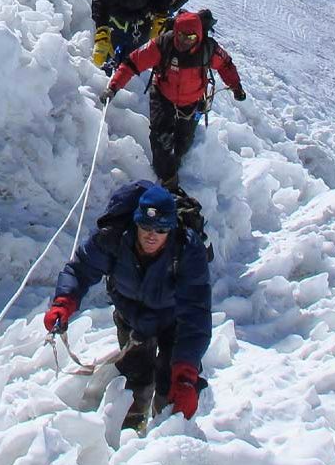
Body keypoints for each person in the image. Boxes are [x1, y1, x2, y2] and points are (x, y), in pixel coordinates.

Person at [43, 182, 212, 430]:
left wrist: (186, 375)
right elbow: (80, 270)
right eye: (145, 226)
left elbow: (196, 313)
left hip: (174, 320)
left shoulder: (186, 250)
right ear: (135, 222)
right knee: (135, 381)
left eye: (161, 229)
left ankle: (168, 439)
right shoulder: (113, 239)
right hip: (132, 317)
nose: (151, 235)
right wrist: (63, 303)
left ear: (172, 229)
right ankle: (131, 435)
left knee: (171, 385)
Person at [99, 9, 246, 190]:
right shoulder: (164, 44)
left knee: (182, 144)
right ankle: (167, 180)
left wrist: (236, 87)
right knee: (161, 137)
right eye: (181, 36)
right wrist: (113, 87)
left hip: (191, 101)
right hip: (163, 94)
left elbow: (225, 64)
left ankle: (173, 165)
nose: (184, 42)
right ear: (175, 33)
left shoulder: (208, 49)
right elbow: (133, 62)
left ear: (198, 36)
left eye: (190, 38)